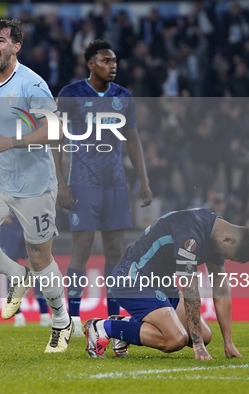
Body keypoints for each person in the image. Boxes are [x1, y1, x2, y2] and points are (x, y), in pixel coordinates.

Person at [0, 18, 72, 353]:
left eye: (2, 40)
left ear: (16, 47)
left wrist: (11, 142)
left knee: (41, 259)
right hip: (1, 177)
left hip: (36, 185)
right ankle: (16, 278)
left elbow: (54, 131)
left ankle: (61, 320)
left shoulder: (32, 85)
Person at [56, 39, 153, 336]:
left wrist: (144, 181)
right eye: (106, 61)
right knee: (81, 250)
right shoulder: (71, 94)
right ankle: (72, 318)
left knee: (115, 252)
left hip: (115, 185)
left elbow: (133, 140)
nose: (113, 66)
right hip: (82, 183)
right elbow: (56, 141)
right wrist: (61, 184)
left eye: (114, 61)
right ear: (91, 63)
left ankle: (113, 318)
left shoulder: (123, 97)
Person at [84, 208, 249, 360]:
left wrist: (228, 343)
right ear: (229, 239)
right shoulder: (191, 234)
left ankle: (125, 325)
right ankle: (101, 327)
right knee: (176, 339)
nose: (224, 259)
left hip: (162, 285)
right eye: (228, 256)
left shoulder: (216, 237)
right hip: (133, 279)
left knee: (205, 335)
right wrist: (198, 346)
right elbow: (190, 290)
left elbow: (221, 289)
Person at [0, 165, 52, 328]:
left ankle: (44, 314)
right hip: (9, 229)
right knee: (11, 271)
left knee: (38, 267)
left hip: (29, 225)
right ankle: (18, 315)